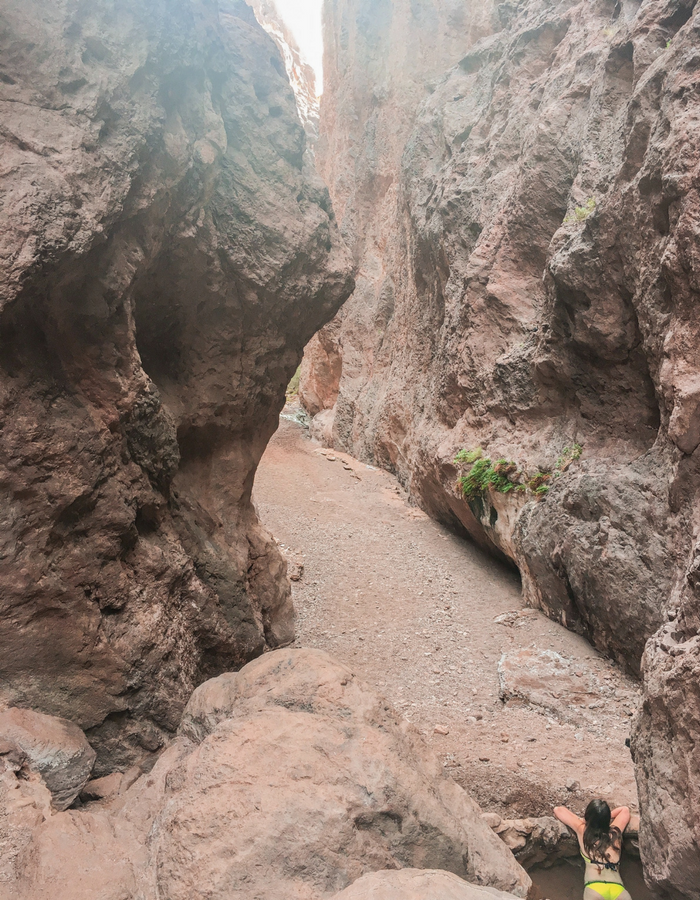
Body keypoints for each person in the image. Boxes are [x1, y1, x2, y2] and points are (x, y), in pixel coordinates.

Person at [554, 799, 632, 900]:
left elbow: (558, 810)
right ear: (607, 819)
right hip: (618, 889)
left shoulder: (582, 830)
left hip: (595, 888)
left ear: (588, 817)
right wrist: (603, 817)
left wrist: (584, 820)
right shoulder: (615, 833)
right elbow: (625, 810)